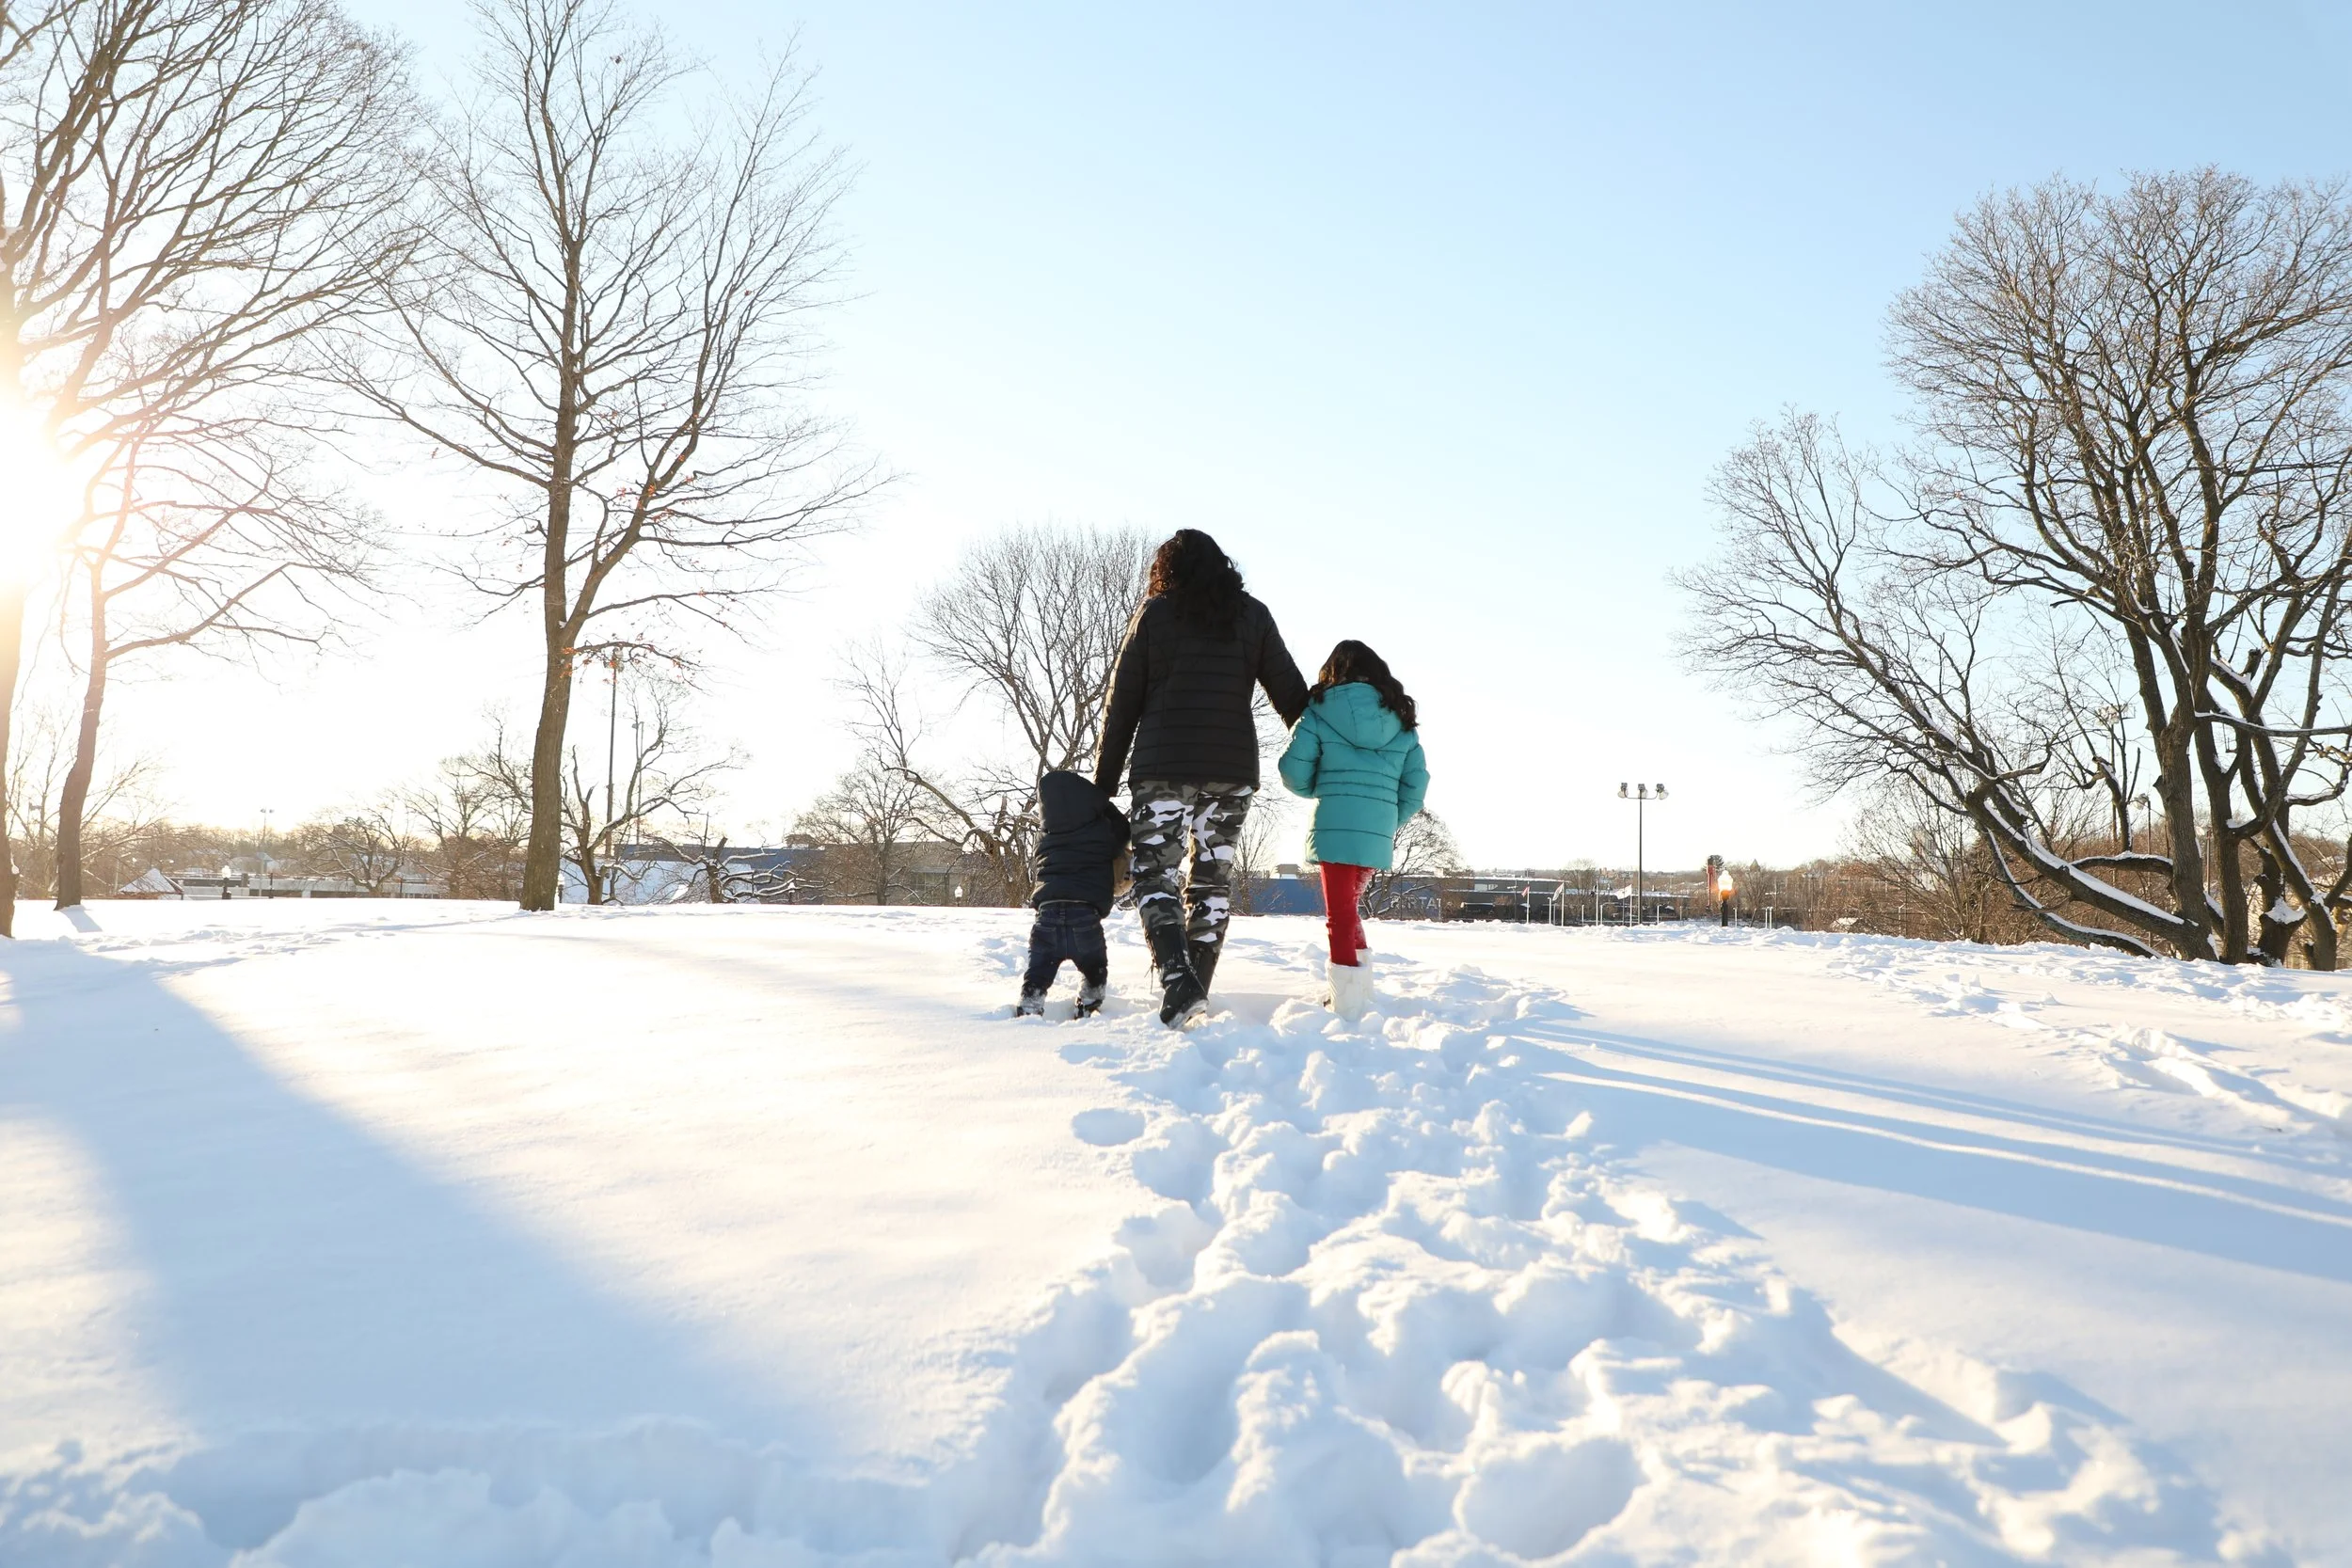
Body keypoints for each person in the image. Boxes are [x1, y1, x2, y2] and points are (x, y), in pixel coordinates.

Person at [1095, 530, 1309, 1026]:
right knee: (1211, 883)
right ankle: (1194, 989)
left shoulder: (1156, 614)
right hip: (1230, 772)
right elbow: (1294, 700)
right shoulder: (1252, 615)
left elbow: (1122, 703)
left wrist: (1103, 786)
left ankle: (1178, 980)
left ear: (1168, 568)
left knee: (1155, 874)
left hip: (1163, 769)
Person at [1277, 640, 1428, 1021]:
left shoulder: (1319, 712)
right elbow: (1416, 788)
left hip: (1334, 827)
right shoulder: (1401, 723)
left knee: (1339, 916)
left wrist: (1321, 787)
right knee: (1348, 911)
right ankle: (1360, 990)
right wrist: (1386, 820)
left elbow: (1293, 772)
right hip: (1375, 832)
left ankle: (1347, 1005)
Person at [1014, 770, 1129, 1018]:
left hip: (1047, 916)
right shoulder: (1101, 832)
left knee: (1037, 973)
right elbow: (1124, 831)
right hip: (1084, 917)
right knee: (1094, 967)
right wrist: (1105, 806)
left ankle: (1030, 1004)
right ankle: (1090, 1003)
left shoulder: (1044, 837)